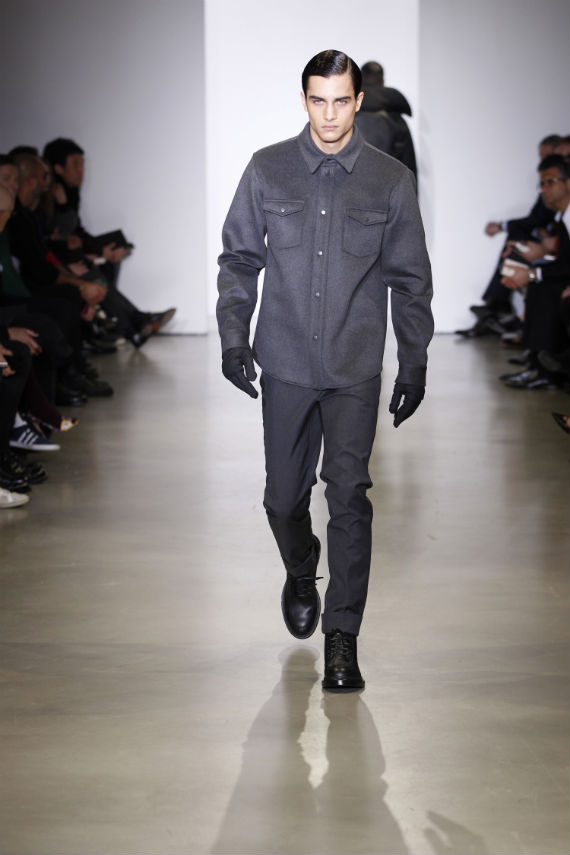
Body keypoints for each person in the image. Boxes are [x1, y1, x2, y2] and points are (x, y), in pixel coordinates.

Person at [216, 50, 433, 691]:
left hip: (353, 366)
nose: (330, 115)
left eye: (341, 101)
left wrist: (414, 362)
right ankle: (301, 564)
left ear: (359, 100)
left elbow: (410, 279)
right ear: (304, 99)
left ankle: (342, 636)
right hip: (284, 360)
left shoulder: (389, 180)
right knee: (283, 499)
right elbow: (238, 259)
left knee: (349, 496)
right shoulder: (268, 168)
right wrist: (233, 337)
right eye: (318, 100)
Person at [354, 60, 417, 177]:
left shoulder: (345, 120)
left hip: (350, 186)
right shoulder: (398, 122)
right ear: (383, 82)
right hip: (390, 185)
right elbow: (409, 166)